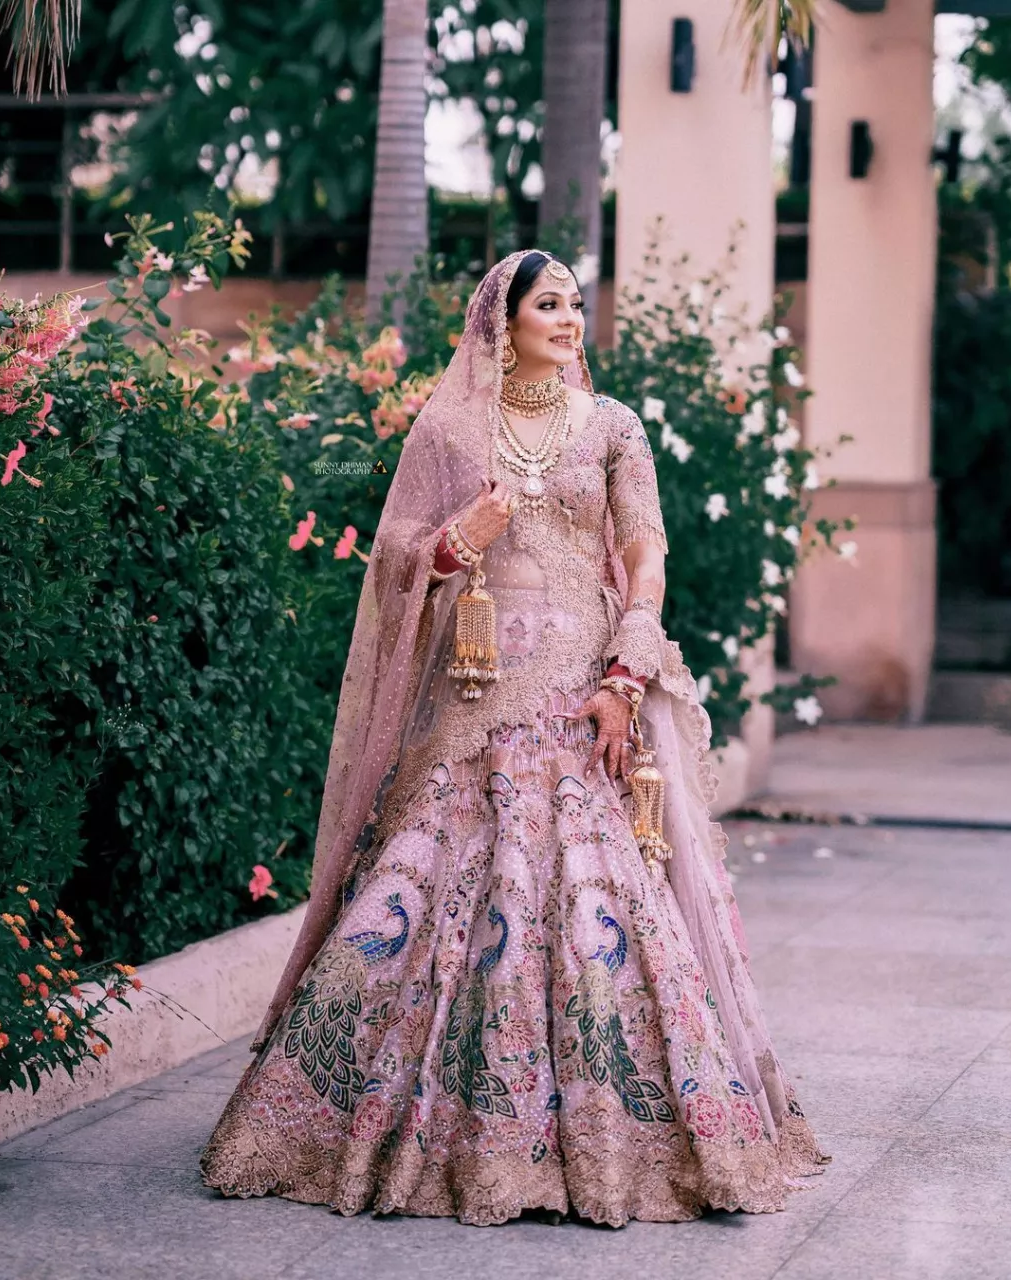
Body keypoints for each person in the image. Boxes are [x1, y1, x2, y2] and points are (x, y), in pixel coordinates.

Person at [200, 250, 830, 1228]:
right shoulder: (452, 428)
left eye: (577, 304)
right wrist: (461, 535)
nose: (571, 319)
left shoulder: (612, 428)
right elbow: (399, 558)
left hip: (582, 691)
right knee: (423, 895)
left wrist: (627, 668)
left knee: (598, 906)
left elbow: (643, 549)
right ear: (504, 319)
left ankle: (617, 1140)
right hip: (475, 696)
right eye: (550, 304)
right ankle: (398, 1128)